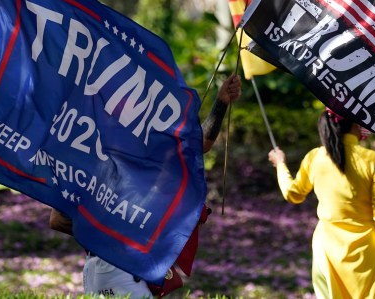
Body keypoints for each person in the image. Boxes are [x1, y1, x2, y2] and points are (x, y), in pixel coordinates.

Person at [50, 73, 242, 298]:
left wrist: (221, 103)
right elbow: (57, 219)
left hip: (108, 271)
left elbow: (200, 144)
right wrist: (119, 230)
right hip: (117, 270)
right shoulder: (94, 157)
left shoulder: (137, 151)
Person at [268, 109, 375, 299]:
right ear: (355, 125)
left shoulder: (315, 157)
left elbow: (293, 194)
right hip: (365, 252)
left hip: (326, 249)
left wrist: (280, 165)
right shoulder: (372, 160)